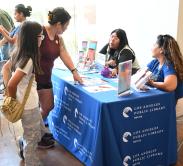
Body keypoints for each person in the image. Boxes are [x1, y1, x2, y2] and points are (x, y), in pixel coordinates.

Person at [1, 21, 51, 166]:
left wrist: (9, 94)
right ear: (34, 38)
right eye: (41, 36)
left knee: (38, 131)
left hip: (26, 104)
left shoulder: (18, 52)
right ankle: (32, 162)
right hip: (28, 106)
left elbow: (5, 69)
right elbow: (12, 83)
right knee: (32, 138)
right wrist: (11, 97)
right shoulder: (28, 59)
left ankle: (22, 142)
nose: (42, 39)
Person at [36, 7, 83, 125]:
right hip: (33, 78)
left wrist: (74, 71)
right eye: (65, 26)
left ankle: (36, 131)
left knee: (48, 106)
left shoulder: (58, 38)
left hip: (45, 78)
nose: (66, 29)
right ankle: (30, 136)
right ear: (58, 24)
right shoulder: (39, 33)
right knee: (33, 111)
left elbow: (64, 53)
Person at [147, 34, 183, 102]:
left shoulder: (168, 65)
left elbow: (170, 86)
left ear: (161, 50)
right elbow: (142, 73)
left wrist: (153, 83)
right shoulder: (155, 62)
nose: (151, 48)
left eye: (154, 45)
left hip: (167, 103)